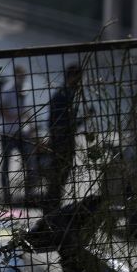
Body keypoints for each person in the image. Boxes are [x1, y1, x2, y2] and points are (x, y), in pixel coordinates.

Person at [44, 63, 83, 211]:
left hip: (62, 141)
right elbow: (61, 123)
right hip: (61, 142)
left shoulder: (66, 94)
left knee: (59, 178)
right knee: (57, 178)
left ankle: (52, 208)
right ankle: (51, 209)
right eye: (79, 78)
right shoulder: (64, 96)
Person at [0, 64, 33, 201]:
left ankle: (28, 194)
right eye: (20, 75)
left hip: (22, 132)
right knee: (6, 163)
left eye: (24, 75)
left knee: (29, 162)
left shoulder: (26, 88)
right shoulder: (7, 89)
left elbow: (27, 109)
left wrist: (31, 125)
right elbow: (0, 108)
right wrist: (12, 117)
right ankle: (6, 194)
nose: (22, 78)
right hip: (8, 132)